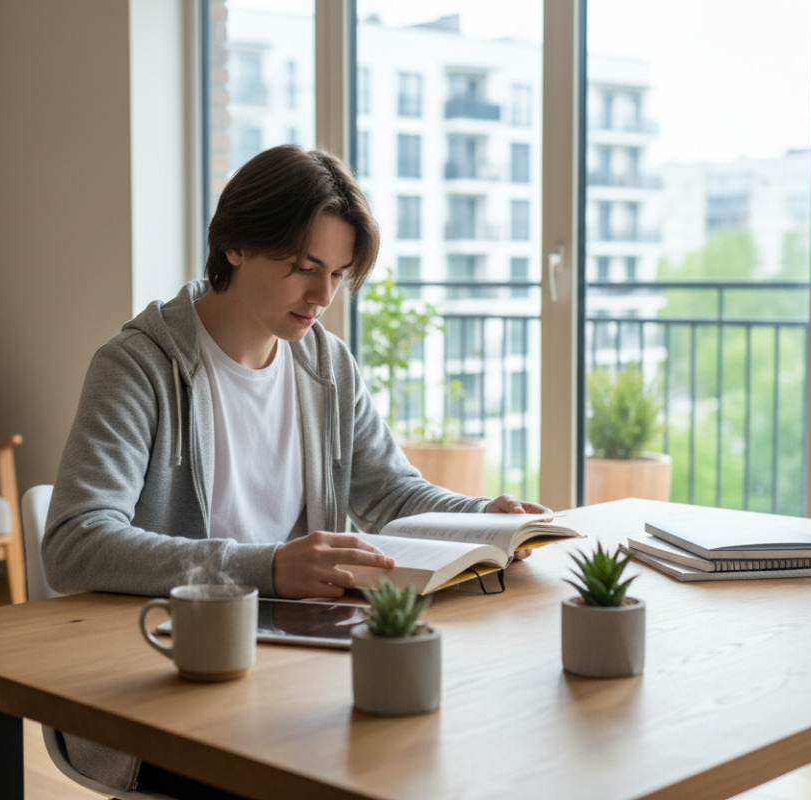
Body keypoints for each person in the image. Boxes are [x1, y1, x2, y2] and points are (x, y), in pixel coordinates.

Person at [42, 144, 548, 795]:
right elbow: (74, 543)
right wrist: (269, 566)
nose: (323, 296)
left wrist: (486, 518)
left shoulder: (326, 366)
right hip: (174, 677)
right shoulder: (138, 367)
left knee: (451, 748)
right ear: (235, 245)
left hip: (301, 664)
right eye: (305, 268)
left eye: (338, 274)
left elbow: (388, 489)